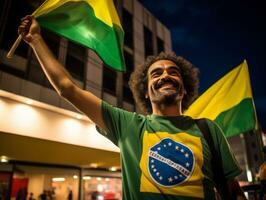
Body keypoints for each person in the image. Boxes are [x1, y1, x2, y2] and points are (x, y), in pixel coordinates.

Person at [18, 15, 246, 199]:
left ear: (184, 89)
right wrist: (36, 39)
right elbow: (68, 88)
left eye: (173, 72)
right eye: (156, 73)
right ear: (146, 92)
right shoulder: (127, 125)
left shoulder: (208, 129)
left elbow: (232, 191)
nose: (165, 75)